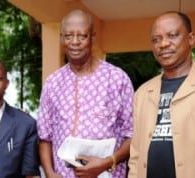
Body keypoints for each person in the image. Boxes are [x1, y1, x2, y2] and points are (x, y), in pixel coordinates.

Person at [37, 9, 134, 178]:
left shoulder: (117, 79)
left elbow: (132, 135)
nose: (75, 42)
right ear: (61, 38)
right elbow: (45, 136)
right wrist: (50, 173)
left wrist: (106, 162)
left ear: (92, 37)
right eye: (68, 36)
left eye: (82, 36)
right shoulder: (52, 83)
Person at [128, 11, 195, 178]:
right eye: (156, 39)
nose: (163, 44)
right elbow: (135, 154)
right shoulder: (142, 93)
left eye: (172, 35)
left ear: (191, 39)